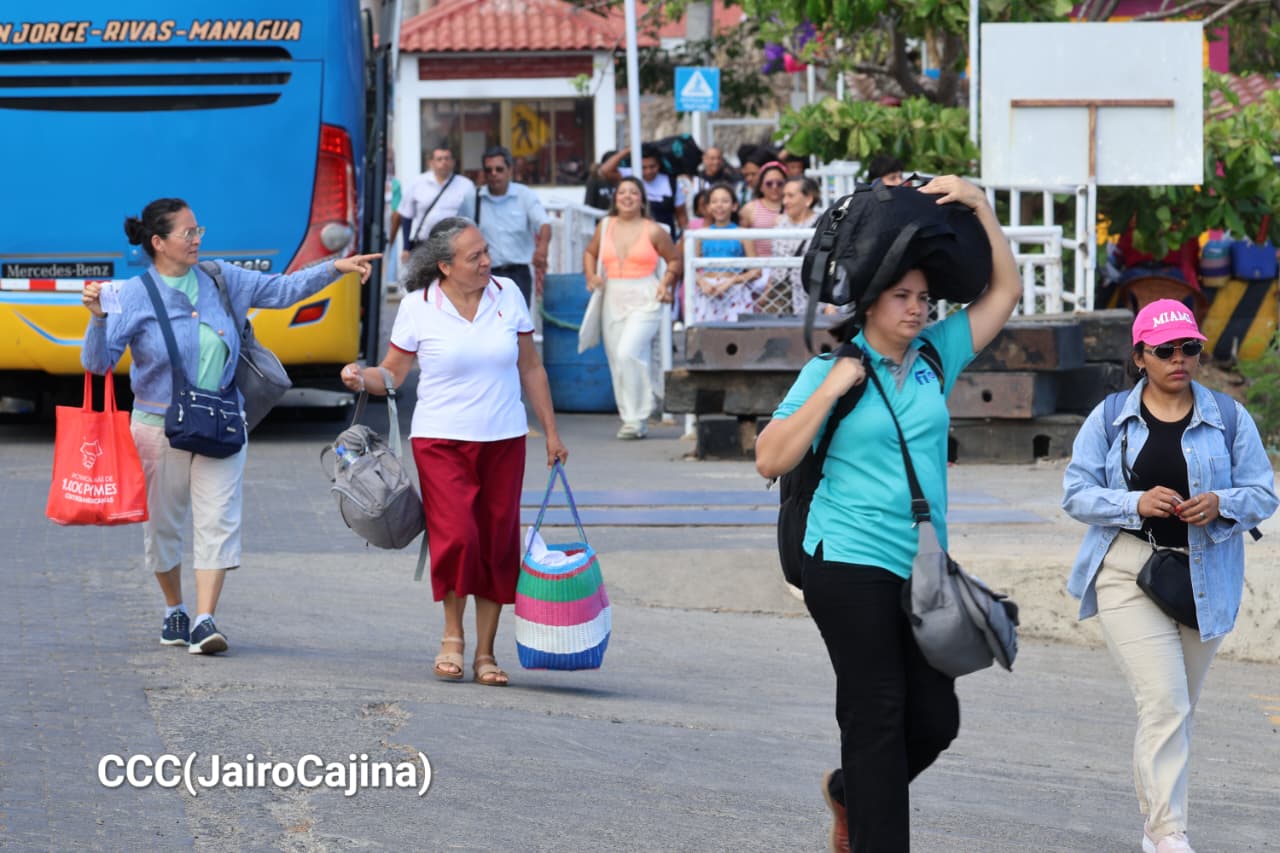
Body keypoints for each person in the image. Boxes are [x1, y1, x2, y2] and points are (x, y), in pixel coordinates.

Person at [753, 176, 1021, 852]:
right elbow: (769, 457)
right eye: (902, 296)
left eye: (924, 297)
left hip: (920, 564)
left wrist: (983, 208)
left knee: (934, 719)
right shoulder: (830, 369)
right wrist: (835, 385)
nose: (917, 308)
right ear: (871, 301)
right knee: (876, 714)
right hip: (844, 561)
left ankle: (850, 792)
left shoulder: (936, 355)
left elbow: (1005, 294)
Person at [80, 198, 380, 655]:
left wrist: (335, 267)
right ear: (158, 243)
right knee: (163, 527)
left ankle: (204, 620)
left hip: (221, 421)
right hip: (157, 428)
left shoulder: (222, 279)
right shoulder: (135, 294)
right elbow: (97, 362)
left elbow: (283, 291)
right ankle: (174, 609)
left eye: (199, 230)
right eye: (188, 233)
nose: (198, 239)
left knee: (218, 519)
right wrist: (98, 320)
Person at [1061, 300, 1277, 853]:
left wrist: (1220, 502)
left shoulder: (1229, 418)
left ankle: (1155, 823)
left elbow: (1263, 491)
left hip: (1204, 578)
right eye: (1165, 350)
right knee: (1165, 703)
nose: (1179, 359)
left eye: (1189, 349)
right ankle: (1168, 832)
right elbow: (1076, 493)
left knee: (1176, 709)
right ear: (1140, 357)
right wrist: (1134, 501)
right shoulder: (1111, 418)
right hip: (1127, 568)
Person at [340, 217, 568, 687]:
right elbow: (394, 374)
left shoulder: (508, 294)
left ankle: (486, 652)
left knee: (497, 543)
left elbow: (531, 367)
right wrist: (362, 378)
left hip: (504, 439)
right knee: (459, 535)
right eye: (475, 257)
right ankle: (452, 635)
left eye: (486, 252)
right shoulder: (419, 307)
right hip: (441, 440)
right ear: (444, 266)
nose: (487, 262)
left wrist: (551, 432)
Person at [582, 177, 682, 440]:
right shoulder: (605, 226)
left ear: (641, 199)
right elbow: (590, 252)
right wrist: (591, 276)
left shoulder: (653, 230)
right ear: (615, 198)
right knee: (617, 358)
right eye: (622, 192)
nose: (627, 197)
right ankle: (631, 418)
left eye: (633, 193)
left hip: (645, 294)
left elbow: (674, 259)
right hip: (613, 294)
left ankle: (639, 414)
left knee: (629, 352)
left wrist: (665, 283)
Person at [475, 145, 551, 307]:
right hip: (485, 274)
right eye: (489, 170)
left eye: (499, 169)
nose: (494, 174)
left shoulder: (524, 196)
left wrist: (542, 248)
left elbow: (544, 223)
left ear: (510, 171)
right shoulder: (474, 199)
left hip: (518, 274)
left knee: (518, 326)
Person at [390, 145, 476, 264]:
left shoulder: (466, 186)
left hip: (453, 247)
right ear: (431, 162)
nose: (444, 162)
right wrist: (406, 247)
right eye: (439, 159)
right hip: (424, 245)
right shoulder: (417, 183)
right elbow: (406, 216)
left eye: (447, 158)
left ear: (453, 162)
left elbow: (470, 219)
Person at [691, 183, 757, 324]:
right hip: (708, 291)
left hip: (735, 292)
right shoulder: (701, 234)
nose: (719, 205)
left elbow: (756, 271)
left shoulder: (743, 234)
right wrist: (702, 282)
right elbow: (691, 268)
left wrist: (733, 280)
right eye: (714, 201)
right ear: (708, 207)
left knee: (737, 335)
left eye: (725, 201)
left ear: (734, 206)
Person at [766, 176, 825, 315]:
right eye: (784, 196)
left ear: (808, 199)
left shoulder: (824, 225)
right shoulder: (780, 225)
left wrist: (830, 305)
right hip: (784, 300)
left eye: (791, 196)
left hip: (814, 301)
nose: (785, 201)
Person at [602, 144, 688, 236]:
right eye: (643, 167)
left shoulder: (671, 183)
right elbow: (605, 170)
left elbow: (681, 215)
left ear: (659, 164)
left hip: (664, 238)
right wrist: (627, 151)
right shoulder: (630, 175)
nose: (648, 171)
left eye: (652, 166)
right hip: (633, 235)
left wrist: (683, 238)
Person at [740, 161, 787, 312]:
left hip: (785, 268)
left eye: (780, 183)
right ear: (761, 186)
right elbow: (740, 239)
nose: (774, 187)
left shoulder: (792, 207)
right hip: (757, 270)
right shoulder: (750, 208)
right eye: (769, 183)